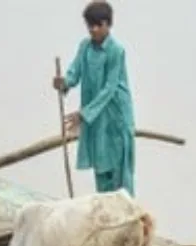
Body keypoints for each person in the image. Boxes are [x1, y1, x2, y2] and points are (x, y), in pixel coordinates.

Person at [52, 1, 136, 196]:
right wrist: (63, 83)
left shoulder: (116, 50)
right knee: (101, 164)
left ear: (108, 25)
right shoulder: (85, 47)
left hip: (116, 115)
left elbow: (109, 88)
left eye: (99, 25)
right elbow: (74, 73)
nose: (94, 29)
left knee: (119, 170)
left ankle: (128, 216)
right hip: (96, 117)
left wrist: (83, 114)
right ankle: (106, 214)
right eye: (91, 25)